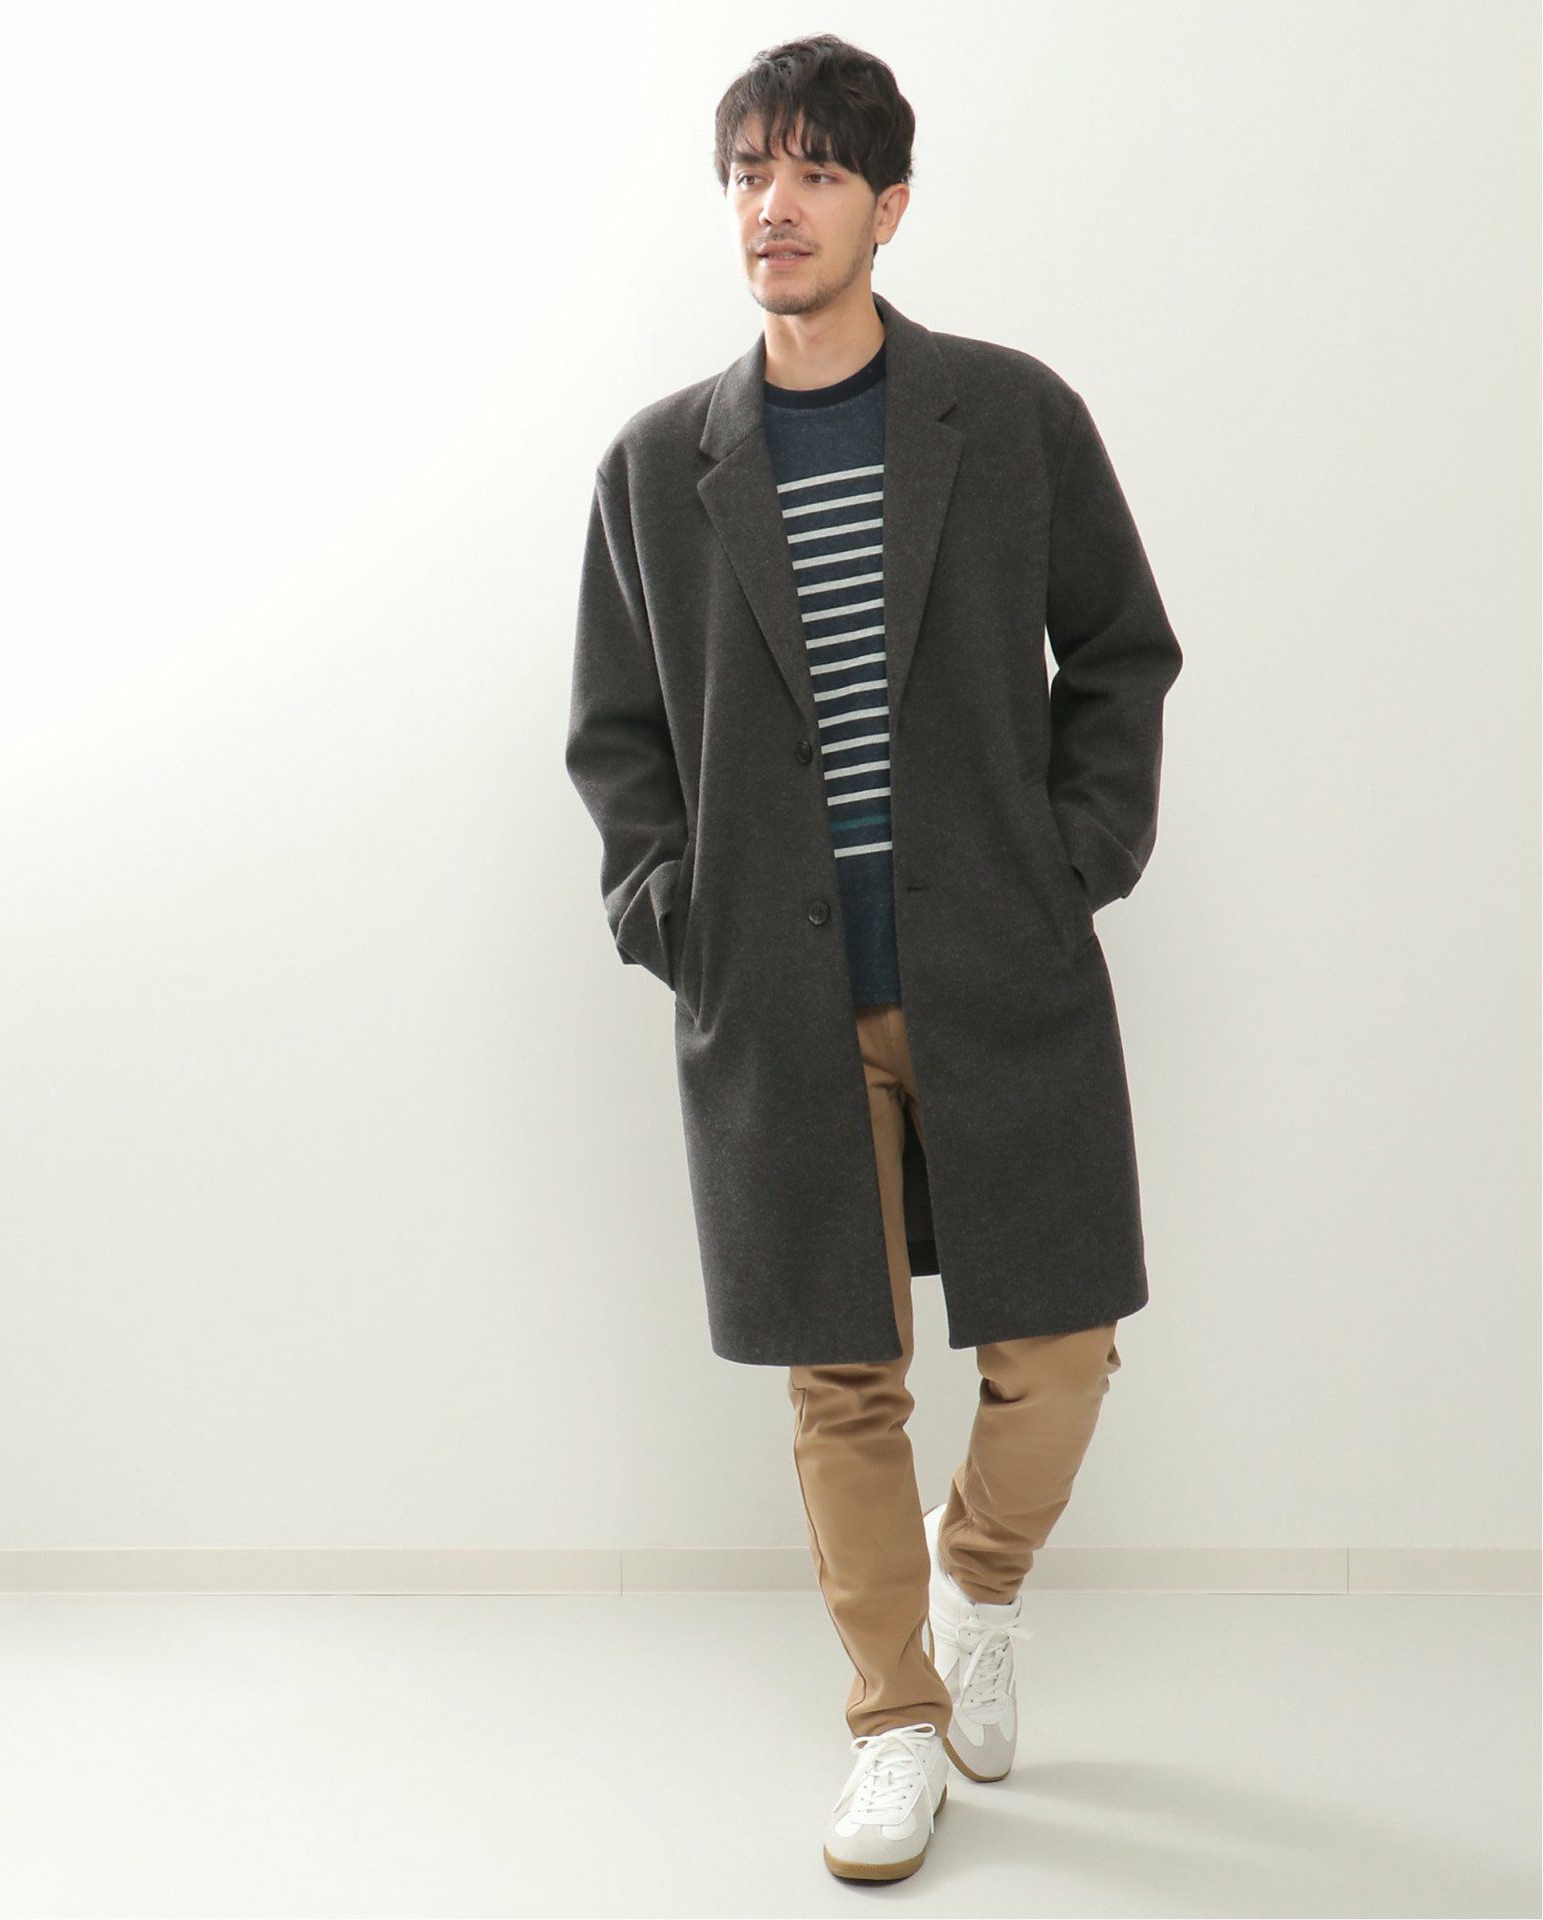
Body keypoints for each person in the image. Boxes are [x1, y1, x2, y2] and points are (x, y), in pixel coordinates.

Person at [565, 33, 1182, 1885]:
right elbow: (617, 739)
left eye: (818, 171)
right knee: (841, 1377)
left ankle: (972, 1579)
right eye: (750, 170)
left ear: (888, 206)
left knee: (1061, 1347)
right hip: (777, 994)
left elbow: (1121, 651)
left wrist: (1076, 861)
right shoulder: (658, 466)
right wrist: (670, 914)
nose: (776, 202)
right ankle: (892, 1723)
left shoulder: (1009, 416)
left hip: (999, 965)